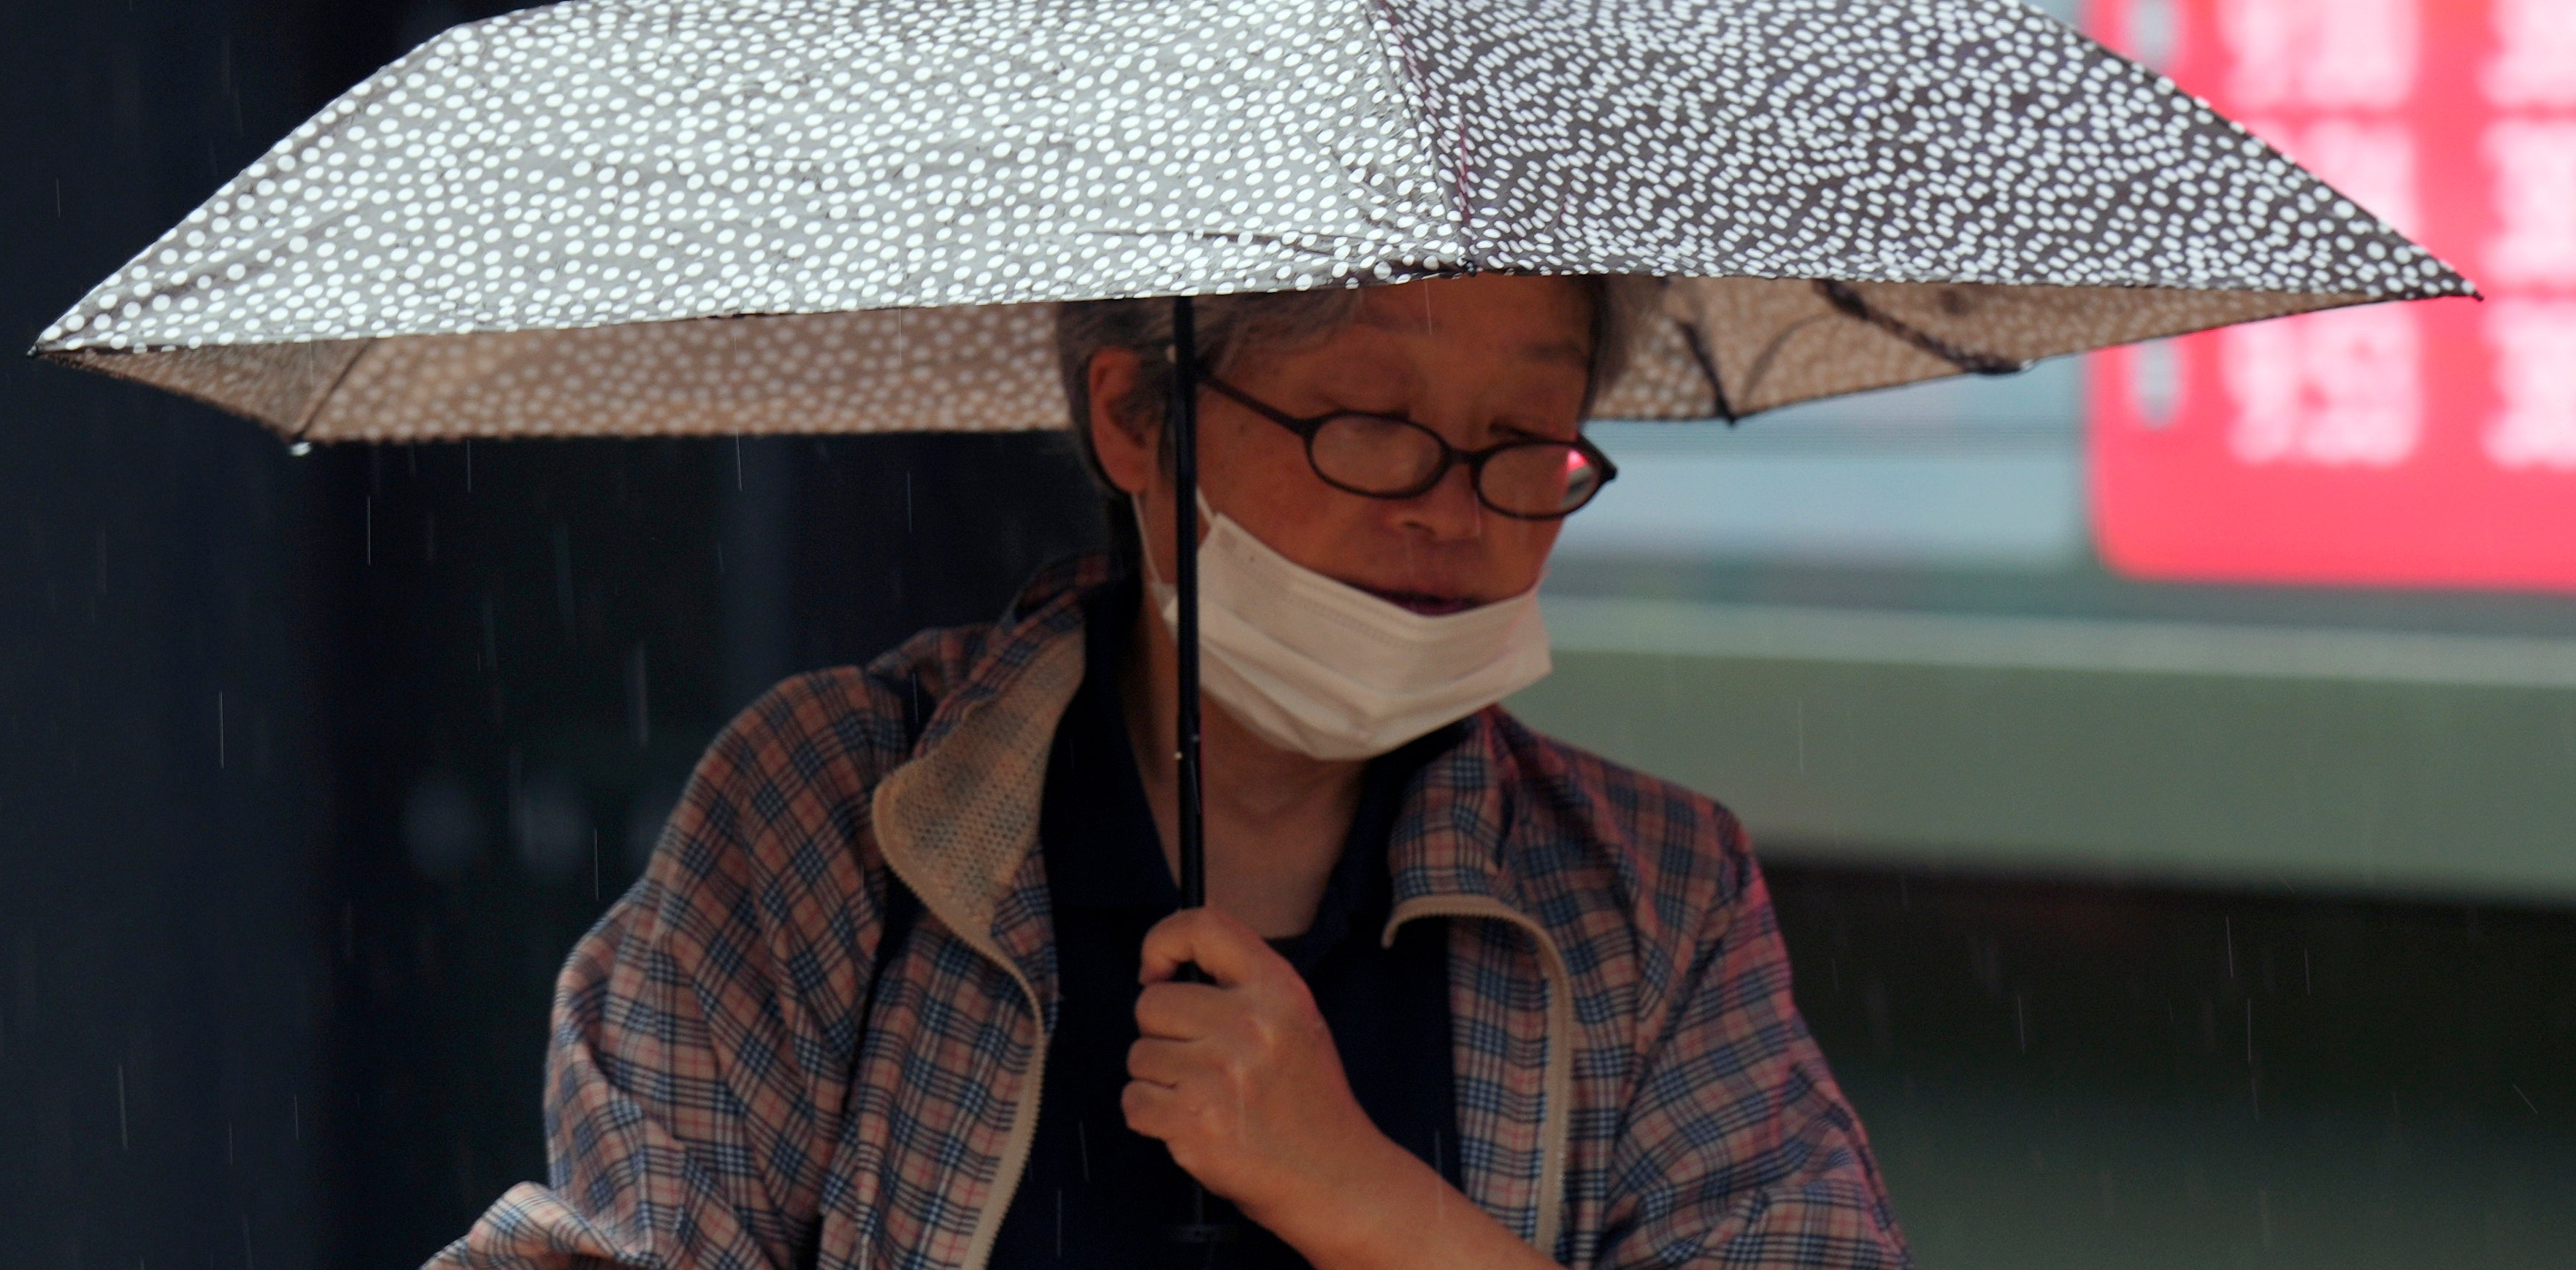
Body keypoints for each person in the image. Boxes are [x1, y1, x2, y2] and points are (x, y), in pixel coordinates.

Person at [437, 272, 1909, 1269]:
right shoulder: (830, 807)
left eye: (1525, 440)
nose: (1455, 514)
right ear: (1137, 417)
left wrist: (1361, 1197)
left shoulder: (1652, 895)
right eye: (1375, 429)